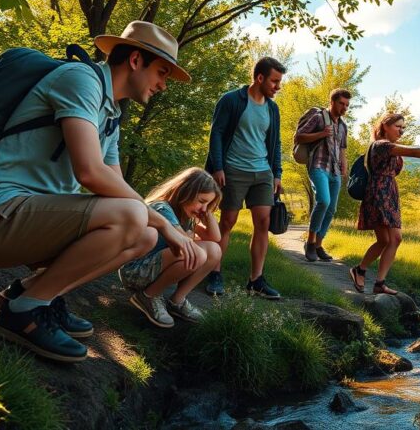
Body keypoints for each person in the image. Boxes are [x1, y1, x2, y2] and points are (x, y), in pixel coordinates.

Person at [0, 21, 197, 362]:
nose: (163, 85)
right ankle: (22, 312)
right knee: (136, 217)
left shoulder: (110, 114)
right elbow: (90, 172)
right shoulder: (80, 80)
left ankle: (34, 295)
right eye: (161, 72)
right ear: (135, 61)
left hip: (31, 218)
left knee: (141, 235)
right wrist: (166, 225)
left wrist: (157, 225)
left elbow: (118, 188)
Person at [348, 113, 420, 295]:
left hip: (388, 194)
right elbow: (414, 151)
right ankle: (361, 271)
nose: (401, 131)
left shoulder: (389, 148)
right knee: (387, 240)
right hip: (379, 194)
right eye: (398, 126)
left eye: (403, 127)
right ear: (385, 126)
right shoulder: (381, 145)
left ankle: (376, 281)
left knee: (392, 239)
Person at [204, 57, 285, 299]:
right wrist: (218, 167)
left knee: (263, 223)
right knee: (227, 222)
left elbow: (275, 142)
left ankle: (256, 280)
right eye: (274, 81)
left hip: (262, 172)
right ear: (259, 78)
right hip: (234, 170)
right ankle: (214, 272)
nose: (278, 87)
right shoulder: (231, 100)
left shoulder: (272, 108)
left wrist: (277, 173)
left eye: (279, 82)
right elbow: (216, 134)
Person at [119, 168, 223, 327]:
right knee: (196, 254)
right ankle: (148, 296)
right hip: (135, 272)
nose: (203, 208)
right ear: (185, 191)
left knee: (214, 251)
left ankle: (177, 301)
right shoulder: (162, 208)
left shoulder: (185, 215)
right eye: (202, 201)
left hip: (152, 269)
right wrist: (190, 233)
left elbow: (215, 238)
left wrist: (207, 212)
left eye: (208, 204)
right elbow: (183, 243)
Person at [294, 88, 351, 262]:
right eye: (341, 103)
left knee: (331, 208)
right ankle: (310, 242)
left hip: (334, 170)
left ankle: (318, 245)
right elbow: (299, 136)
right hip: (318, 166)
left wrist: (344, 166)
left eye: (347, 105)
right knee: (323, 201)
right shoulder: (319, 117)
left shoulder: (342, 126)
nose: (344, 108)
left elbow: (342, 149)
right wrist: (322, 134)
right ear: (332, 102)